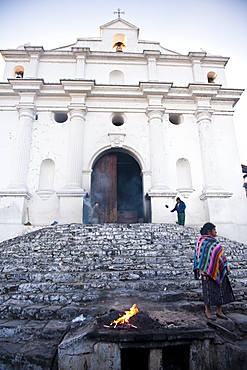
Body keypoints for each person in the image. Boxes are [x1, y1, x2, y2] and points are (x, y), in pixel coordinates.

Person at [194, 222, 235, 320]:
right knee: (208, 290)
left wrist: (225, 266)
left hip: (218, 269)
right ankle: (207, 310)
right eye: (214, 230)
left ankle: (219, 310)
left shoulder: (215, 242)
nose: (216, 232)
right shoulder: (202, 241)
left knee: (220, 289)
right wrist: (202, 268)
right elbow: (199, 255)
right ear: (209, 231)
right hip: (206, 271)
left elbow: (220, 254)